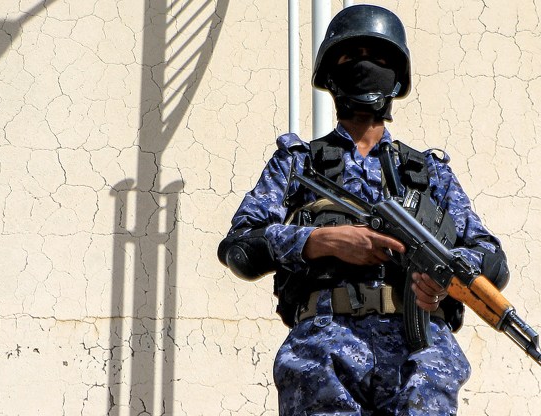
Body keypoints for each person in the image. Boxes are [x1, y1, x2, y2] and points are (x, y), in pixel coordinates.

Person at [218, 5, 509, 415]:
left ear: (398, 75)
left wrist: (445, 275)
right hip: (323, 355)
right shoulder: (297, 163)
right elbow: (240, 249)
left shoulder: (429, 172)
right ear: (330, 73)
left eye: (381, 57)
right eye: (350, 56)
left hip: (422, 356)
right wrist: (318, 241)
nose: (366, 65)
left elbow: (492, 260)